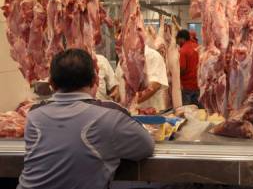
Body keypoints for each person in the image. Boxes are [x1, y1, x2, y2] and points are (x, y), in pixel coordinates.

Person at [17, 49, 154, 189]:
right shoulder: (109, 116)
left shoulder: (34, 116)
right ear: (95, 80)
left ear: (51, 83)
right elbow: (146, 146)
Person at [115, 44, 169, 112]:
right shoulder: (123, 57)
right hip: (127, 114)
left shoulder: (153, 56)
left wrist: (130, 102)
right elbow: (118, 82)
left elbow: (155, 85)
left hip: (150, 115)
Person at [176, 29, 201, 107]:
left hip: (187, 86)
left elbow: (182, 68)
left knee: (186, 111)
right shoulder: (198, 47)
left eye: (178, 40)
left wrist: (174, 74)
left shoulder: (183, 50)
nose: (177, 42)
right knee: (198, 111)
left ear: (182, 39)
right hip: (198, 84)